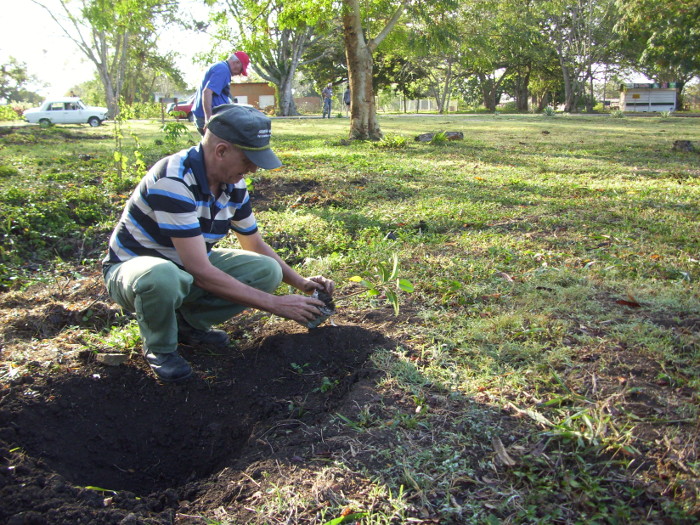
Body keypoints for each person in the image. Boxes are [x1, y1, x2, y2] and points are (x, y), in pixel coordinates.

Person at [102, 104, 335, 382]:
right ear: (221, 150)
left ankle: (187, 326)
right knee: (162, 276)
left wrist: (301, 283)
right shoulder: (173, 180)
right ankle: (161, 348)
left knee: (266, 270)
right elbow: (199, 270)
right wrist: (276, 304)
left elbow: (255, 245)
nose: (253, 169)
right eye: (248, 160)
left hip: (186, 263)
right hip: (134, 271)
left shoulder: (233, 183)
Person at [193, 51, 250, 135]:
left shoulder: (223, 68)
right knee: (220, 146)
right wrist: (208, 120)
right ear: (237, 63)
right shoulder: (222, 69)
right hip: (209, 118)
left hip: (215, 117)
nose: (239, 73)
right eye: (241, 69)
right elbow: (207, 92)